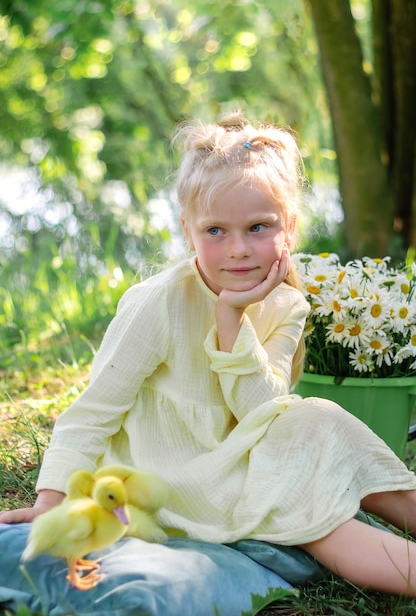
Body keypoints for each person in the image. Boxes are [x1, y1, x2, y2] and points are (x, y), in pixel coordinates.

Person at [2, 111, 416, 604]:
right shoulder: (158, 303)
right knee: (316, 503)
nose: (238, 250)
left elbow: (261, 409)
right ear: (187, 230)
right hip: (175, 483)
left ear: (289, 227)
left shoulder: (287, 303)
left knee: (316, 420)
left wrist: (231, 318)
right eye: (216, 231)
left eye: (258, 227)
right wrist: (51, 501)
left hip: (237, 459)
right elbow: (91, 415)